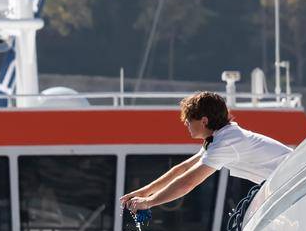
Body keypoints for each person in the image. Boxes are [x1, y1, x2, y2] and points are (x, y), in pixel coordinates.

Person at [119, 91, 290, 215]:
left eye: (188, 121)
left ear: (204, 120)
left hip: (297, 179)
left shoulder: (226, 142)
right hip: (288, 182)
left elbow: (188, 182)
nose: (186, 124)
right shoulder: (221, 137)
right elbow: (183, 169)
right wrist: (144, 192)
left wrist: (150, 202)